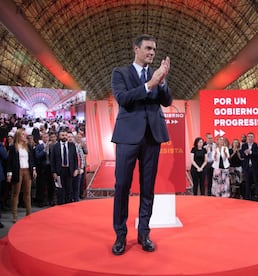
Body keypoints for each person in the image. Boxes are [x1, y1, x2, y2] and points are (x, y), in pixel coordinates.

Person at [110, 34, 171, 255]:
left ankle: (144, 233)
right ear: (136, 49)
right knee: (122, 186)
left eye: (154, 49)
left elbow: (167, 101)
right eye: (147, 48)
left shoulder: (157, 75)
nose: (152, 53)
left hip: (152, 138)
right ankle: (120, 234)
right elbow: (123, 98)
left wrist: (162, 82)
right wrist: (151, 83)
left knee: (148, 188)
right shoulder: (120, 73)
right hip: (127, 137)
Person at [6, 128, 36, 223]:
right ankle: (15, 215)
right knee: (16, 193)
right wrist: (9, 173)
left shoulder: (29, 146)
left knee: (27, 193)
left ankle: (29, 213)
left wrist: (34, 169)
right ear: (18, 135)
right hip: (17, 171)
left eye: (25, 134)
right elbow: (9, 162)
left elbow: (32, 159)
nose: (25, 136)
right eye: (23, 134)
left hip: (27, 170)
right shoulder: (13, 147)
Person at [50, 129, 78, 205]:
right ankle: (61, 206)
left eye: (66, 135)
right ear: (59, 136)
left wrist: (76, 169)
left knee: (69, 190)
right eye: (63, 135)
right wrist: (54, 172)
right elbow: (52, 160)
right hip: (59, 171)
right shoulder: (55, 146)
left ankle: (68, 206)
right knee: (60, 190)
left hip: (69, 170)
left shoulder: (72, 145)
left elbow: (75, 158)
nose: (64, 137)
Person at [240, 132, 258, 201]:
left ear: (253, 138)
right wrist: (245, 153)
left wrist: (251, 153)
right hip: (246, 167)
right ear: (247, 138)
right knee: (247, 182)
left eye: (251, 137)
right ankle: (247, 197)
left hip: (254, 167)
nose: (250, 138)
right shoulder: (244, 145)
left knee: (256, 182)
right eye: (249, 136)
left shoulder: (256, 145)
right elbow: (241, 154)